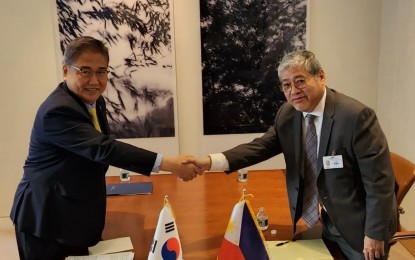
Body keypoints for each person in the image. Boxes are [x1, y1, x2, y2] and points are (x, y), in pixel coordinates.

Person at [187, 50, 397, 260]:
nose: (293, 91)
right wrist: (209, 162)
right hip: (325, 219)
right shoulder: (288, 114)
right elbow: (259, 147)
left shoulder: (355, 117)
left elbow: (379, 181)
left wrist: (375, 233)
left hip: (359, 226)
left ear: (321, 77)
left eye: (300, 81)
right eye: (286, 85)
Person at [10, 36, 201, 260]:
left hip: (76, 207)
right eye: (85, 71)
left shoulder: (94, 101)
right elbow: (104, 148)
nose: (94, 80)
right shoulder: (58, 110)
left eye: (101, 71)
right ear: (65, 71)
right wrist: (169, 164)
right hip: (46, 217)